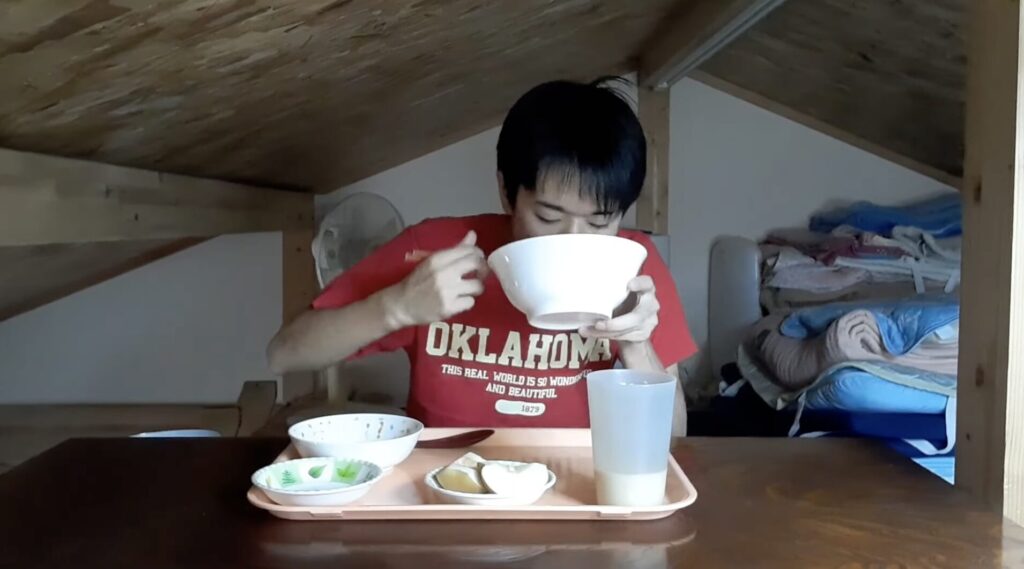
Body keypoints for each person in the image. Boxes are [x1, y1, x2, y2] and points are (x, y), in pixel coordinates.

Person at [267, 78, 697, 434]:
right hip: (447, 485)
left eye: (600, 222)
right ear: (506, 191)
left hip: (581, 486)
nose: (573, 240)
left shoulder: (632, 264)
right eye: (548, 217)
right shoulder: (435, 249)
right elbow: (284, 353)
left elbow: (675, 434)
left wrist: (637, 346)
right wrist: (396, 307)